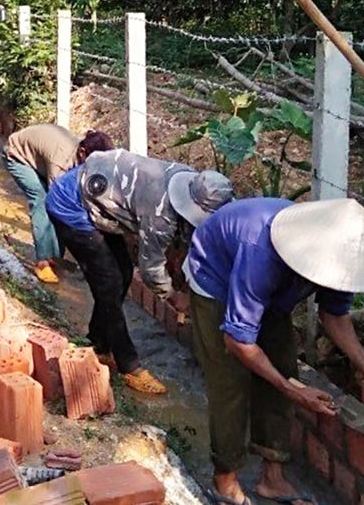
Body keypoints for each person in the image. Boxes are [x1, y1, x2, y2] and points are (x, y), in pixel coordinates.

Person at [185, 197, 364, 505]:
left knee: (284, 368)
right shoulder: (260, 250)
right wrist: (294, 393)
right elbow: (237, 341)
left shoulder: (340, 255)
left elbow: (334, 315)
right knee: (231, 383)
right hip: (215, 278)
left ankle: (272, 478)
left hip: (272, 291)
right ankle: (224, 481)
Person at [46, 149, 234, 394]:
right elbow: (150, 268)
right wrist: (174, 297)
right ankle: (129, 366)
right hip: (72, 206)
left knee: (123, 272)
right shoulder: (160, 214)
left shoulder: (192, 182)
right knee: (109, 283)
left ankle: (99, 344)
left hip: (104, 204)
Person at [2, 125, 114, 284]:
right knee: (42, 200)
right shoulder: (61, 161)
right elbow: (59, 204)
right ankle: (42, 262)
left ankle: (54, 256)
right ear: (82, 153)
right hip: (17, 156)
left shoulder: (82, 156)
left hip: (39, 157)